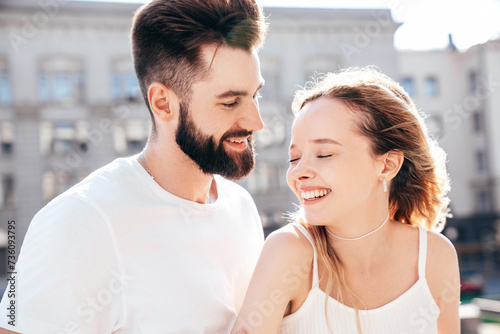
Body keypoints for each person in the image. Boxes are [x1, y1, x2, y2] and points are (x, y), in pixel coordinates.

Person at [0, 0, 268, 333]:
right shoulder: (83, 219)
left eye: (255, 95)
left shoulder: (240, 207)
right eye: (230, 102)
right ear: (163, 103)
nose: (256, 122)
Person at [231, 67, 460, 334]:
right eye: (294, 158)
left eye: (325, 154)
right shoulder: (289, 253)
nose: (298, 172)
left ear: (387, 165)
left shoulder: (435, 257)